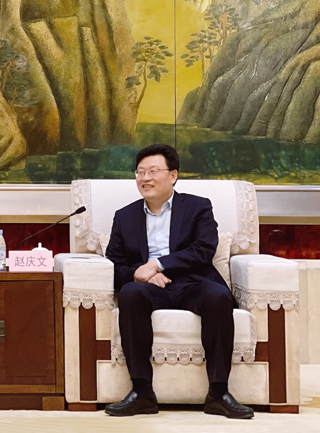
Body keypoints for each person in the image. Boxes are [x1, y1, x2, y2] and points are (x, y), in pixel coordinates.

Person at [104, 144, 254, 419]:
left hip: (193, 282)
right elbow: (114, 263)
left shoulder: (198, 206)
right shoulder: (124, 216)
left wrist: (159, 264)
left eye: (153, 171)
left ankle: (218, 393)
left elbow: (204, 249)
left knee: (218, 297)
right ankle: (142, 392)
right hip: (150, 287)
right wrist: (142, 273)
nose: (145, 178)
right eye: (140, 172)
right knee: (130, 294)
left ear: (173, 175)